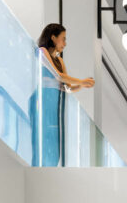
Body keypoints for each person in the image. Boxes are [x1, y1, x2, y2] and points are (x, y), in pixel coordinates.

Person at [31, 24, 94, 166]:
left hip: (54, 104)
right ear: (53, 38)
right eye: (63, 39)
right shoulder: (42, 52)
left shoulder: (60, 61)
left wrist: (82, 85)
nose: (65, 44)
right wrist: (81, 81)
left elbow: (67, 87)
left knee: (54, 145)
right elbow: (59, 76)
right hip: (42, 101)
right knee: (41, 139)